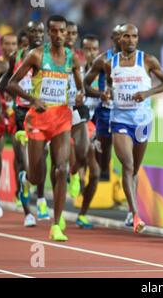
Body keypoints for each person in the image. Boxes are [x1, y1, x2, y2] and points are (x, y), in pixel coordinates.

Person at [7, 15, 85, 241]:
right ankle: (25, 180)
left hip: (61, 117)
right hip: (39, 119)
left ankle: (56, 224)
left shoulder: (73, 58)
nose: (59, 35)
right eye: (54, 31)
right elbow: (12, 83)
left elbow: (79, 86)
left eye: (63, 31)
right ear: (49, 33)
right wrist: (32, 100)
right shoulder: (37, 55)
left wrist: (79, 95)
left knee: (61, 169)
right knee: (36, 177)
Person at [105, 24, 163, 233]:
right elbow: (109, 84)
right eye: (127, 36)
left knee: (134, 169)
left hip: (142, 120)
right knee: (127, 164)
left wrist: (147, 93)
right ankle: (135, 215)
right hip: (120, 119)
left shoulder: (148, 60)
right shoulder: (111, 63)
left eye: (135, 36)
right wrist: (107, 92)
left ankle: (130, 209)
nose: (131, 40)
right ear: (120, 39)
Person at [0, 20, 50, 227]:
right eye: (33, 31)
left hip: (41, 112)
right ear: (27, 35)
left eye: (40, 31)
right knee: (22, 160)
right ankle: (28, 210)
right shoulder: (16, 57)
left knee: (41, 158)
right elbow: (8, 81)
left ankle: (40, 197)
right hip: (21, 113)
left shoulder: (48, 57)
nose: (36, 34)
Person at [83, 25, 122, 183]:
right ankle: (98, 172)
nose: (123, 39)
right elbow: (85, 85)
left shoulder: (136, 59)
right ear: (112, 38)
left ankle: (122, 181)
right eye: (118, 36)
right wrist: (101, 94)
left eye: (126, 35)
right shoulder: (103, 60)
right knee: (103, 151)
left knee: (127, 154)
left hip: (127, 112)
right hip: (105, 111)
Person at [73, 34, 103, 228]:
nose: (91, 53)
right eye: (87, 49)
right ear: (81, 51)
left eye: (94, 49)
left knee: (97, 174)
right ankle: (74, 172)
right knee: (82, 153)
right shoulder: (77, 70)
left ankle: (82, 214)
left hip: (96, 122)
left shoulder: (104, 72)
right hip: (76, 120)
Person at [64, 21, 90, 200]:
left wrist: (82, 94)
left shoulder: (81, 57)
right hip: (57, 109)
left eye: (74, 33)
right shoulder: (51, 55)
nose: (71, 36)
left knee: (83, 152)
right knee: (62, 154)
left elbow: (85, 83)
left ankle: (73, 172)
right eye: (68, 33)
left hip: (77, 106)